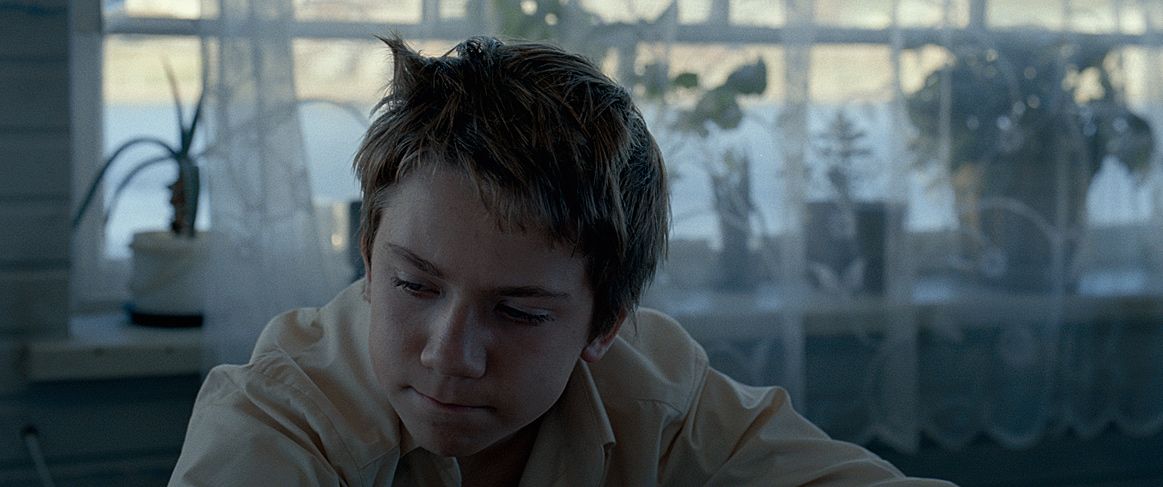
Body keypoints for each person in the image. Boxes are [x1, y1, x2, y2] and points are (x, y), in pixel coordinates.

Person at [169, 35, 955, 486]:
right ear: (369, 261)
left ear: (604, 324)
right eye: (414, 283)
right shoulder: (273, 422)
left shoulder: (656, 389)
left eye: (517, 311)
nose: (449, 353)